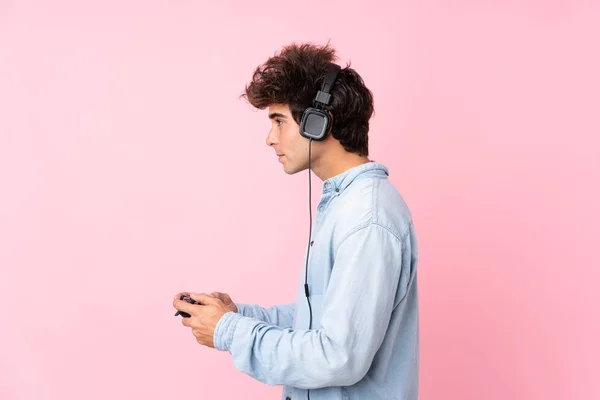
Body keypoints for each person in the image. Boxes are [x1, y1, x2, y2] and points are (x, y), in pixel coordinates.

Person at [173, 41, 419, 400]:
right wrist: (236, 314)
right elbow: (320, 318)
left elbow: (338, 358)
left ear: (319, 123)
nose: (269, 139)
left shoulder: (368, 218)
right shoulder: (345, 205)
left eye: (279, 121)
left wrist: (229, 331)